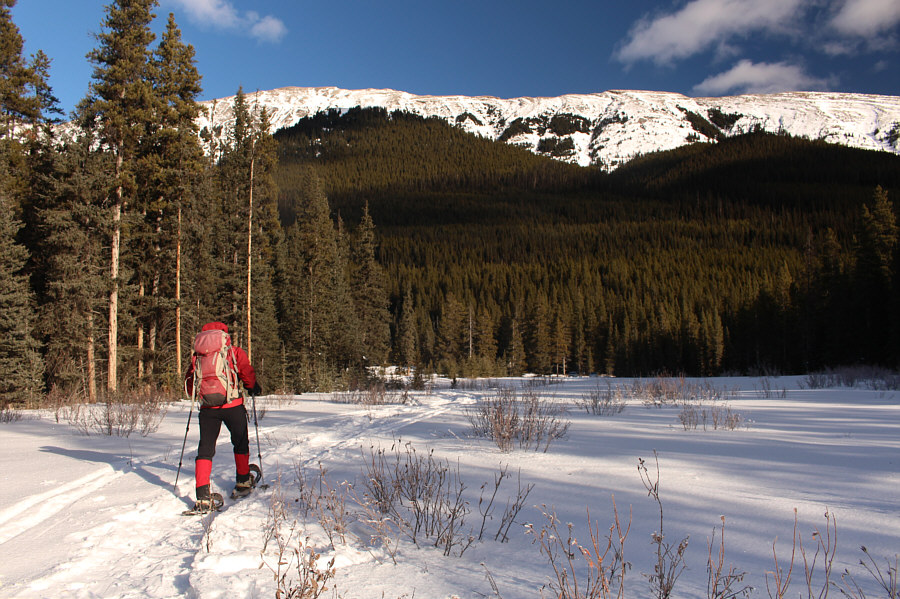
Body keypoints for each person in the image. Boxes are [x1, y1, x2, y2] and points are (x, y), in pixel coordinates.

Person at [184, 321, 262, 511]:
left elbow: (190, 383)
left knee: (205, 449)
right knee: (240, 442)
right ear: (224, 336)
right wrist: (253, 387)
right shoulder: (233, 352)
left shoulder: (198, 356)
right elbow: (246, 372)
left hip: (207, 409)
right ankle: (243, 481)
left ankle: (202, 496)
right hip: (232, 405)